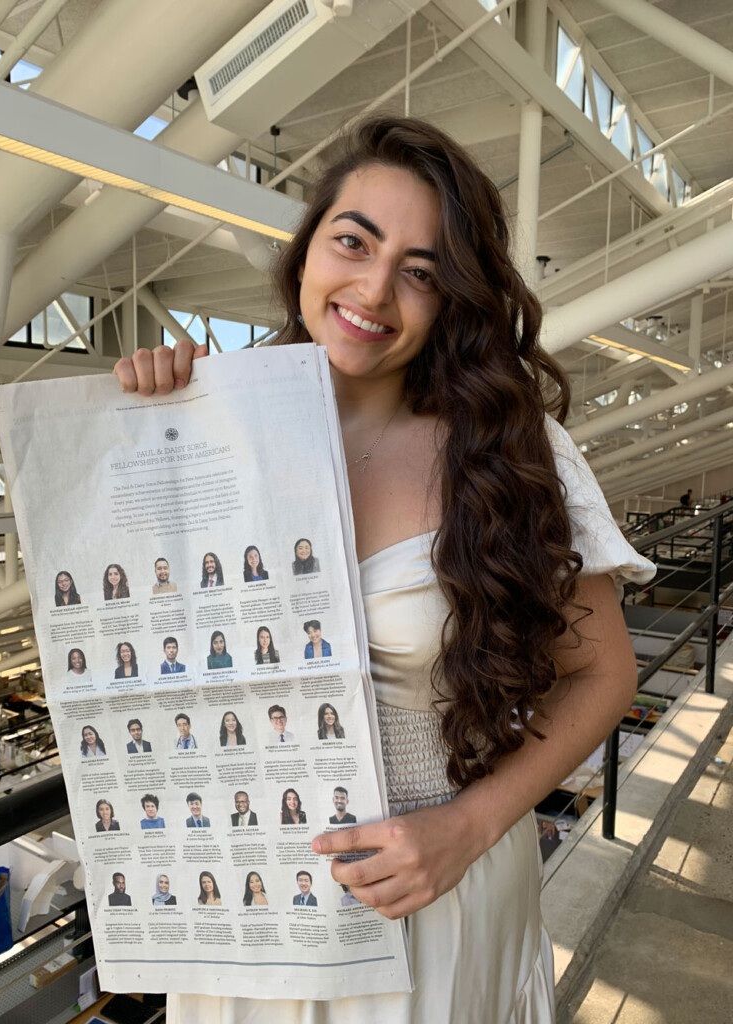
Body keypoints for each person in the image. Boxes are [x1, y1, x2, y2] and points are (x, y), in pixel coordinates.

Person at [116, 115, 654, 1024]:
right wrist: (136, 430)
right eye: (353, 242)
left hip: (439, 890)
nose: (374, 289)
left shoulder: (516, 454)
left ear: (454, 298)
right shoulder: (204, 429)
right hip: (257, 901)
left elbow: (606, 673)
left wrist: (467, 829)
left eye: (421, 271)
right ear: (305, 254)